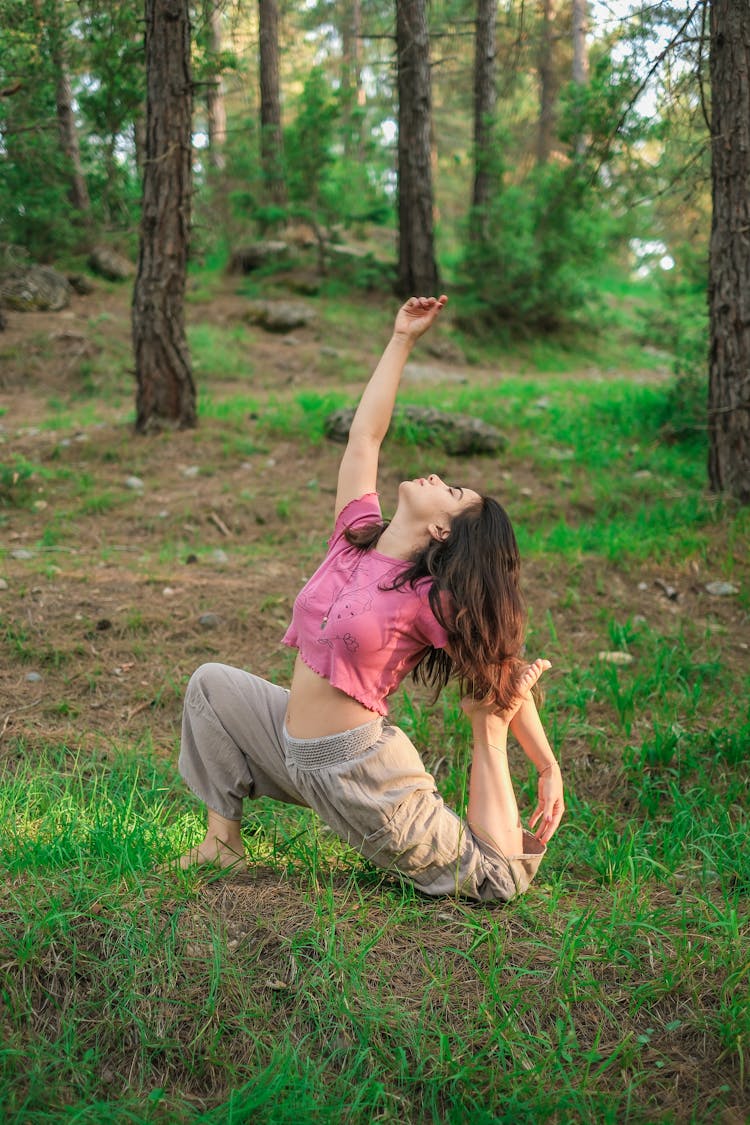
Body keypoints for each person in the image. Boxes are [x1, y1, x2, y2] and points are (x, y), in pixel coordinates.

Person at [177, 295, 565, 902]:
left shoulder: (431, 598)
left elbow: (504, 673)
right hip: (291, 747)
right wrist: (401, 339)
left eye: (454, 490)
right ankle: (222, 846)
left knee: (494, 882)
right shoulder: (353, 538)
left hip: (361, 773)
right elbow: (366, 435)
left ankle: (485, 743)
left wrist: (543, 762)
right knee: (211, 686)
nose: (438, 477)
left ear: (444, 532)